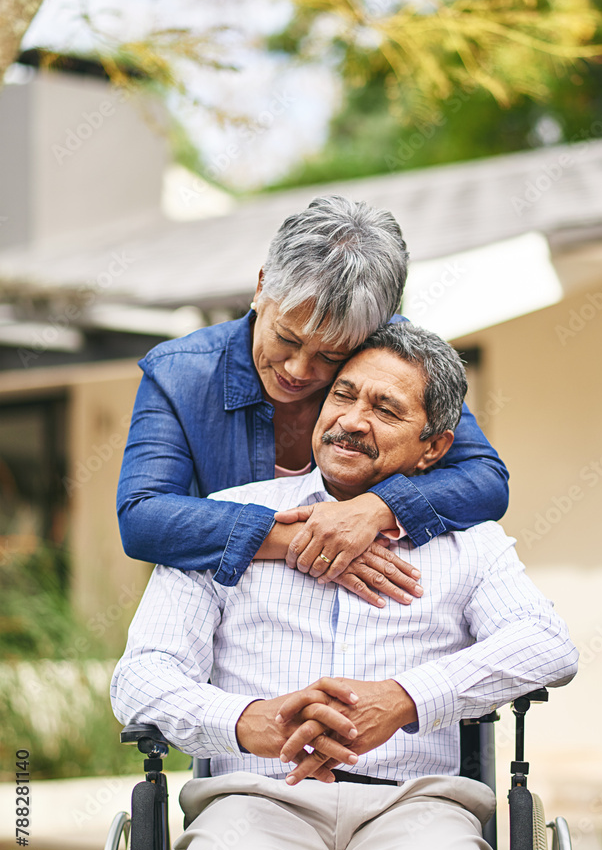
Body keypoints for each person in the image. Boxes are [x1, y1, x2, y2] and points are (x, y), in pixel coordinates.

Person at [111, 323, 577, 850]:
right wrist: (251, 721)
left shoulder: (467, 543)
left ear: (433, 447)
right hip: (257, 801)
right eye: (343, 396)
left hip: (413, 804)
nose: (352, 421)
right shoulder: (229, 521)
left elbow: (546, 644)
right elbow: (140, 676)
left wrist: (407, 699)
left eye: (385, 410)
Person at [116, 195, 509, 610]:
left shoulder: (389, 356)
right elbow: (143, 518)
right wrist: (299, 539)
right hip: (239, 625)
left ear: (374, 331)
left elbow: (485, 480)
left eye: (332, 356)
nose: (299, 370)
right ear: (261, 285)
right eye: (286, 338)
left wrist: (376, 510)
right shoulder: (180, 374)